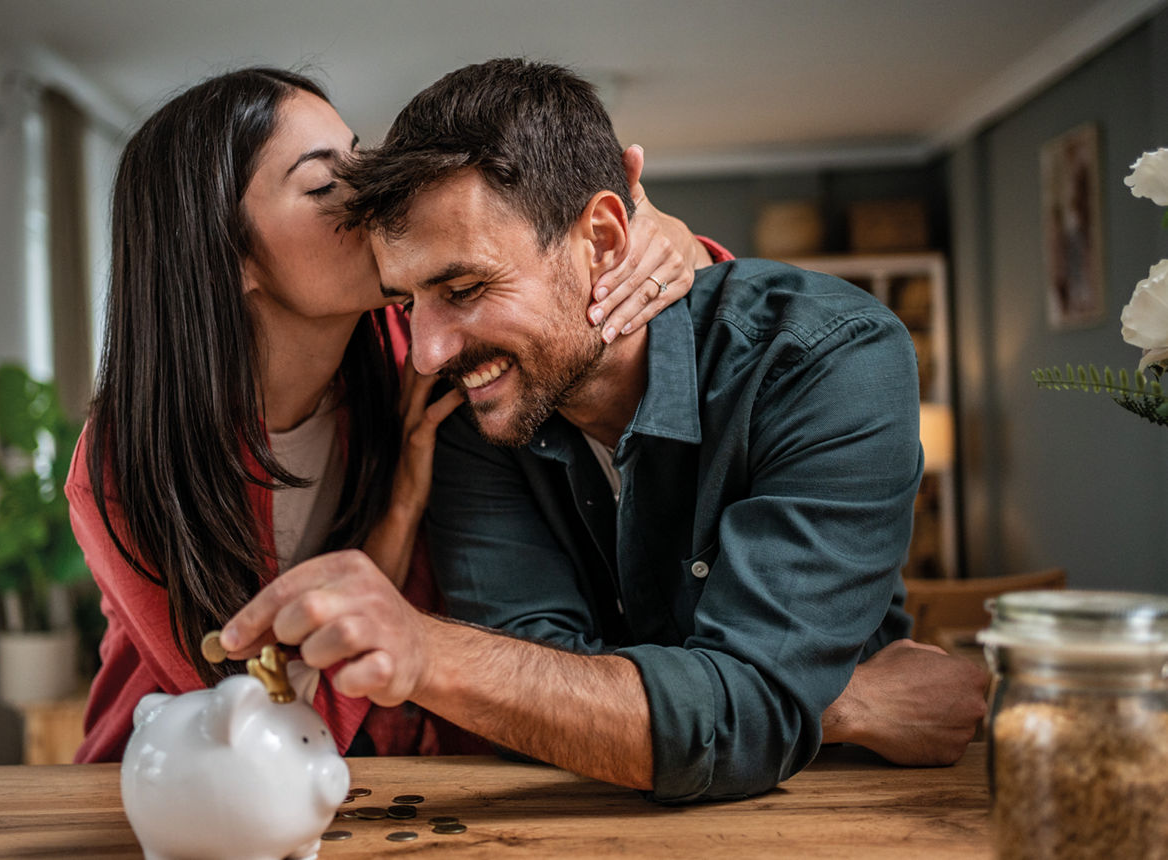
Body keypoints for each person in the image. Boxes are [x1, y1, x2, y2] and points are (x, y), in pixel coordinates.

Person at [220, 58, 987, 802]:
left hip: (839, 812)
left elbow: (562, 696)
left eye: (463, 288)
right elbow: (532, 712)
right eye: (406, 301)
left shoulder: (829, 360)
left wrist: (432, 651)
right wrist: (827, 706)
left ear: (607, 241)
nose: (428, 352)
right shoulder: (474, 411)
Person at [68, 66, 717, 763]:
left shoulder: (420, 345)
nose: (377, 193)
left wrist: (670, 246)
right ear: (226, 259)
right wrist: (398, 517)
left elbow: (658, 332)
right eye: (323, 185)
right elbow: (263, 726)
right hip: (180, 792)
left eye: (362, 159)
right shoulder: (131, 465)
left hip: (418, 778)